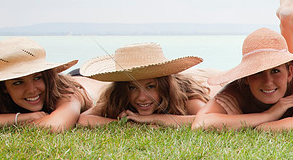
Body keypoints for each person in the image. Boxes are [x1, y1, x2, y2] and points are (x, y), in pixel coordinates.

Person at [193, 0, 293, 132]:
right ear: (246, 77)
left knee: (289, 61)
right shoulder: (236, 90)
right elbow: (200, 124)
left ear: (290, 74)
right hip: (286, 74)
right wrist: (269, 115)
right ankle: (288, 21)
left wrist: (243, 122)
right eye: (258, 73)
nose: (268, 81)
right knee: (283, 60)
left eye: (274, 71)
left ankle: (288, 23)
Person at [77, 43, 211, 127]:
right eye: (132, 87)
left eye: (151, 86)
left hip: (204, 77)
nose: (142, 97)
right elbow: (84, 119)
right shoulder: (116, 97)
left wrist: (153, 118)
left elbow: (208, 119)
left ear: (164, 86)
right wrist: (128, 124)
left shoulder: (186, 93)